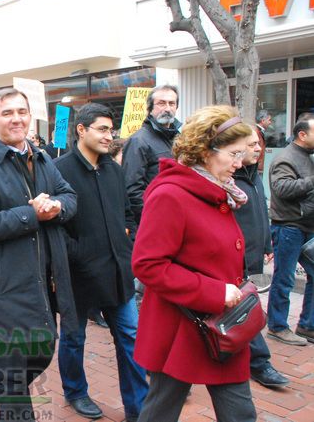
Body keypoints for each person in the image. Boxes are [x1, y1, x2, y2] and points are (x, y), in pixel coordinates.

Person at [0, 88, 78, 421]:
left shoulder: (42, 158)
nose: (17, 119)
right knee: (14, 378)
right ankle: (7, 394)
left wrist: (57, 207)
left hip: (45, 282)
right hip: (6, 284)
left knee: (43, 353)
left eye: (22, 112)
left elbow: (69, 196)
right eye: (8, 113)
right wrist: (31, 215)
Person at [132, 105, 255, 422]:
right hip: (181, 327)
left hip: (223, 326)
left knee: (241, 414)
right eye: (233, 154)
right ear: (204, 150)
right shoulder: (171, 194)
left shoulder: (219, 190)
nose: (239, 164)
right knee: (161, 412)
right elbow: (148, 265)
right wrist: (215, 292)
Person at [54, 103, 147, 422]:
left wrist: (127, 238)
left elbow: (128, 212)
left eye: (112, 129)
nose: (110, 136)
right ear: (81, 129)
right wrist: (78, 254)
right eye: (103, 129)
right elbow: (54, 229)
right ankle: (75, 391)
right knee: (73, 338)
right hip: (78, 276)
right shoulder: (59, 170)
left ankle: (138, 408)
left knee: (132, 338)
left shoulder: (114, 170)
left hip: (118, 273)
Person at [233, 127, 290, 388]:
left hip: (255, 255)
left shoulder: (254, 175)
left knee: (242, 310)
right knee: (249, 310)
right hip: (234, 259)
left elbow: (260, 210)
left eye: (260, 144)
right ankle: (260, 363)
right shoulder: (228, 177)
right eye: (252, 144)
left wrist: (267, 242)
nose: (258, 148)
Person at [266, 112, 314, 345]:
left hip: (307, 226)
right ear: (302, 135)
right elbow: (283, 189)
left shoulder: (308, 156)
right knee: (284, 279)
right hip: (289, 227)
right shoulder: (286, 157)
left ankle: (307, 325)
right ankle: (277, 326)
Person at [122, 85, 182, 225]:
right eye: (161, 103)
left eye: (171, 103)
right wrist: (156, 218)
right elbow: (132, 191)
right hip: (157, 220)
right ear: (150, 108)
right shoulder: (138, 141)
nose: (167, 108)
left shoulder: (180, 139)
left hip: (178, 215)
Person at [255, 109, 273, 174]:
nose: (270, 122)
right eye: (269, 120)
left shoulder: (258, 131)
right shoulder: (256, 132)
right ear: (263, 120)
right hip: (255, 168)